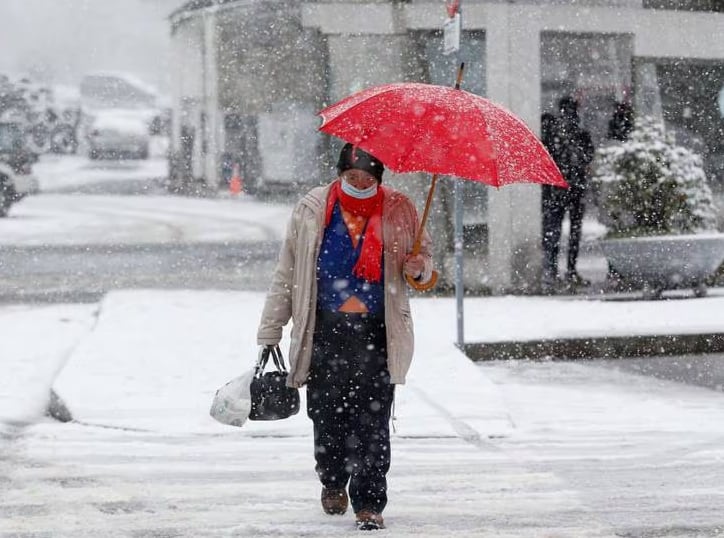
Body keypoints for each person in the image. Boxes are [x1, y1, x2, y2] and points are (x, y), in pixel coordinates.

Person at [256, 143, 434, 531]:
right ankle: (333, 479)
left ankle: (370, 501)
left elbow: (425, 272)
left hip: (378, 331)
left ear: (379, 179)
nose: (359, 183)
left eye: (367, 178)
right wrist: (271, 328)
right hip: (324, 329)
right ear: (340, 174)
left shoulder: (399, 209)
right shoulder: (311, 209)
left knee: (372, 421)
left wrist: (419, 269)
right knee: (326, 415)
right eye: (352, 177)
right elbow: (287, 273)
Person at [540, 97, 595, 292]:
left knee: (552, 232)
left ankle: (552, 272)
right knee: (573, 232)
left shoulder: (553, 131)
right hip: (575, 189)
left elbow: (545, 157)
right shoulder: (579, 133)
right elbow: (588, 157)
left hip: (556, 189)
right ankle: (570, 271)